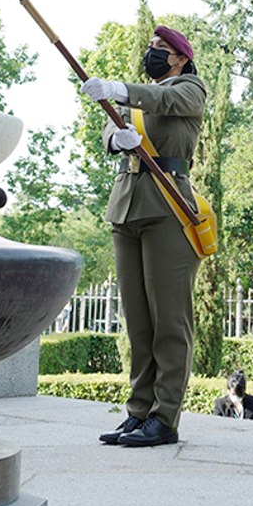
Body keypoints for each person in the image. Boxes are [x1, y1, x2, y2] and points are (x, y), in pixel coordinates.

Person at [82, 26, 207, 449]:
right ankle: (138, 412)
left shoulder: (191, 89)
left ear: (180, 59)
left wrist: (118, 88)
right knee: (137, 320)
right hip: (128, 205)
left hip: (168, 206)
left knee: (169, 321)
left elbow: (162, 100)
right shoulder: (140, 97)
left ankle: (165, 417)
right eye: (151, 48)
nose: (152, 54)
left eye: (161, 50)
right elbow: (114, 126)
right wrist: (114, 140)